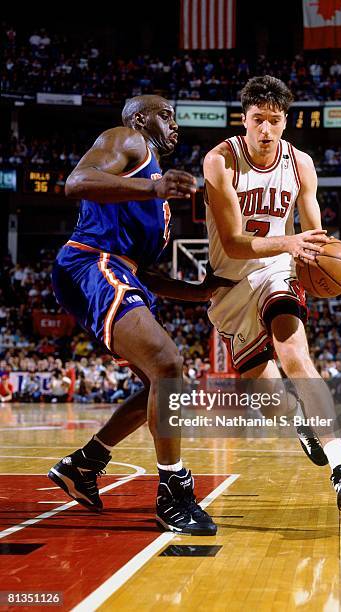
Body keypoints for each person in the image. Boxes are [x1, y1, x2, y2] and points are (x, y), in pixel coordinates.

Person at [48, 95, 229, 535]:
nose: (174, 125)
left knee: (158, 378)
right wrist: (152, 187)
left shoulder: (155, 188)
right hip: (92, 262)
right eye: (165, 115)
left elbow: (144, 272)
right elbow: (76, 181)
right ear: (139, 117)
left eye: (175, 118)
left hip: (119, 269)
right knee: (169, 361)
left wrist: (198, 292)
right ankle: (173, 494)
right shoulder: (127, 140)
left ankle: (84, 464)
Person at [203, 76, 341, 520]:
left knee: (296, 355)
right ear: (244, 119)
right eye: (257, 120)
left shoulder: (301, 164)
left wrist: (328, 254)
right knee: (266, 390)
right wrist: (292, 242)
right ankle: (299, 419)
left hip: (279, 272)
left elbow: (311, 233)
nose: (265, 130)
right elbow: (236, 242)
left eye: (273, 121)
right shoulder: (220, 161)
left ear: (285, 121)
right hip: (231, 282)